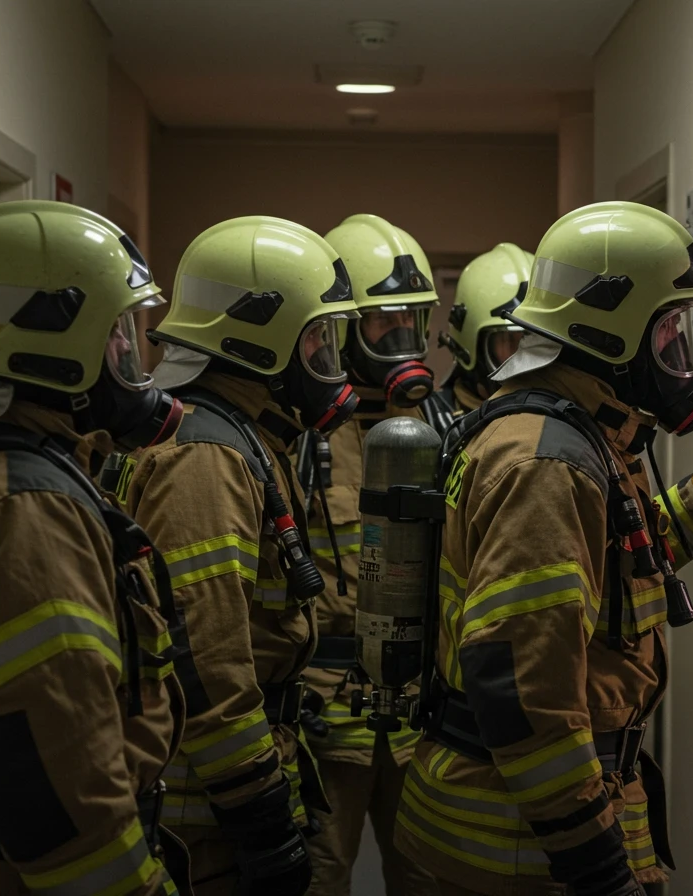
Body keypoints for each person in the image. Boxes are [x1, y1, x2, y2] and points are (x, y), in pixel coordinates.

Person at [394, 201, 693, 896]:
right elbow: (522, 689)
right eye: (669, 335)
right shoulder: (547, 462)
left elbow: (613, 567)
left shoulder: (579, 432)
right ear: (610, 332)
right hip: (512, 848)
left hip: (532, 831)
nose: (680, 359)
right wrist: (596, 867)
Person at [0, 200, 187, 895]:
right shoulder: (21, 510)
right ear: (53, 341)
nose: (129, 359)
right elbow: (60, 779)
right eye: (116, 335)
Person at [115, 216, 362, 895]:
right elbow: (207, 661)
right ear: (258, 339)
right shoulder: (207, 459)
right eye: (316, 339)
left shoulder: (238, 438)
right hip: (208, 814)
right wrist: (259, 816)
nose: (327, 360)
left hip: (226, 784)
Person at [298, 214, 441, 895]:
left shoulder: (430, 432)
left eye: (412, 322)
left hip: (415, 716)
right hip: (324, 715)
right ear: (341, 330)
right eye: (385, 322)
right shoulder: (301, 436)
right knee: (318, 877)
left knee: (424, 875)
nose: (403, 340)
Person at [434, 242, 532, 416]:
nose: (529, 363)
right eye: (510, 341)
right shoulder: (429, 423)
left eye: (537, 343)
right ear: (471, 349)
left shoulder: (574, 422)